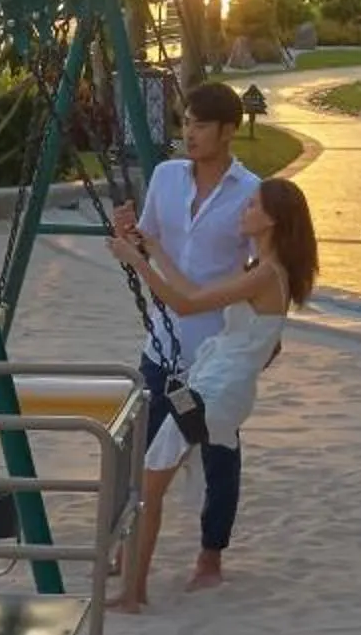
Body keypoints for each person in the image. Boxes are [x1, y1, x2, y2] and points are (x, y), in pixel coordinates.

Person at [108, 176, 319, 612]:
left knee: (150, 481)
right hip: (211, 390)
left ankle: (134, 593)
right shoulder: (266, 274)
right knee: (156, 471)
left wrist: (136, 261)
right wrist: (152, 245)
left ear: (272, 220)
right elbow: (193, 293)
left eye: (252, 206)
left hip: (213, 393)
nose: (244, 210)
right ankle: (134, 586)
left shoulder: (264, 275)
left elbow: (185, 305)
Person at [111, 81, 261, 594]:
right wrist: (128, 231)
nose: (189, 134)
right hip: (163, 343)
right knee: (141, 449)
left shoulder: (250, 193)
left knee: (217, 451)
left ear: (227, 131)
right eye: (185, 123)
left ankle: (210, 556)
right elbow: (147, 242)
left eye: (199, 125)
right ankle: (128, 553)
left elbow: (260, 271)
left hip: (215, 354)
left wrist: (263, 338)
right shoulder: (166, 177)